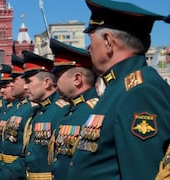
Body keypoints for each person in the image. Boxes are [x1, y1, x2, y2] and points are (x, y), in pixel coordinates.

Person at [67, 0, 170, 179]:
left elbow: (142, 172)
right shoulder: (119, 86)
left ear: (108, 41)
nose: (88, 48)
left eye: (90, 41)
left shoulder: (139, 90)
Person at [48, 38, 98, 179]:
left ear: (77, 79)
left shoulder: (94, 110)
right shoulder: (69, 110)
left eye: (58, 76)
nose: (54, 82)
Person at [21, 50, 69, 179]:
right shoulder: (38, 111)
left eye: (29, 81)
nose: (25, 87)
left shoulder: (62, 111)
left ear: (47, 82)